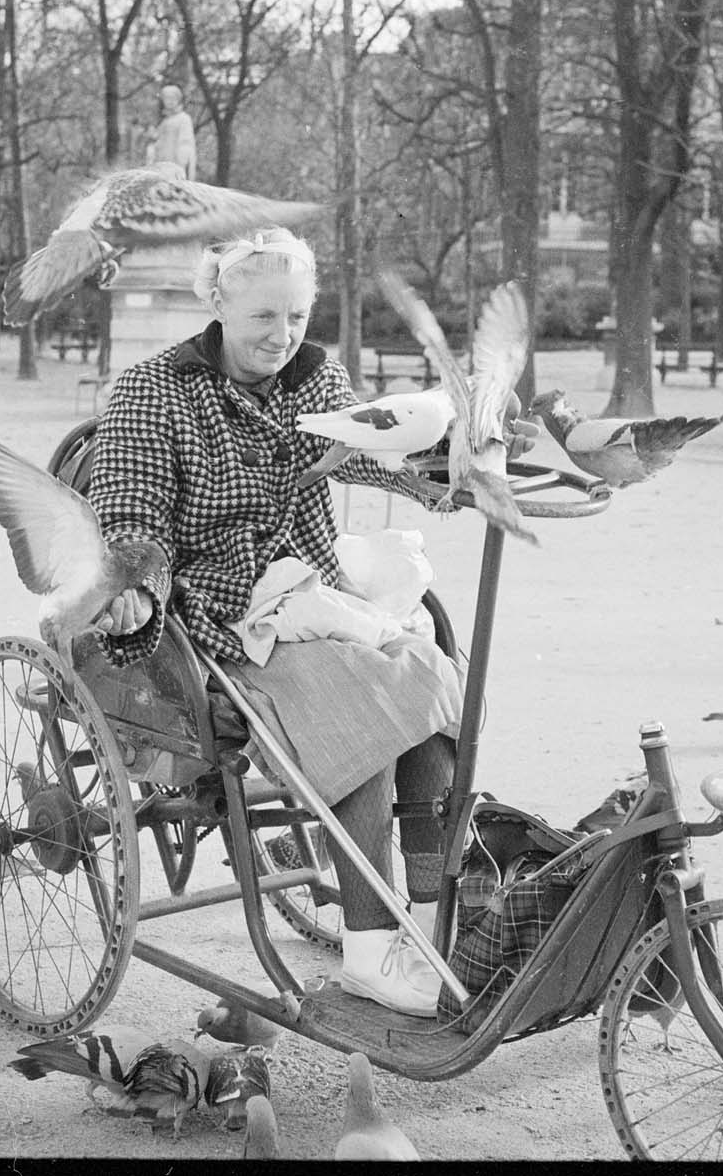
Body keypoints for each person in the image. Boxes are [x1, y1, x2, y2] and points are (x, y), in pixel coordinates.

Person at [86, 227, 532, 1017]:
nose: (281, 335)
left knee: (431, 690)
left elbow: (373, 442)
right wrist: (136, 589)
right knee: (355, 715)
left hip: (315, 597)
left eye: (296, 316)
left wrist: (450, 471)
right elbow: (130, 519)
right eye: (262, 316)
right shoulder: (154, 391)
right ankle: (369, 948)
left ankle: (427, 919)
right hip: (220, 618)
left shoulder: (312, 378)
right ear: (216, 301)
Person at [145, 83, 197, 179]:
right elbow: (157, 143)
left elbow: (186, 143)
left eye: (174, 98)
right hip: (161, 166)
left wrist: (181, 165)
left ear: (179, 100)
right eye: (167, 98)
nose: (170, 101)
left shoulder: (184, 118)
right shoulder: (164, 121)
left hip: (176, 166)